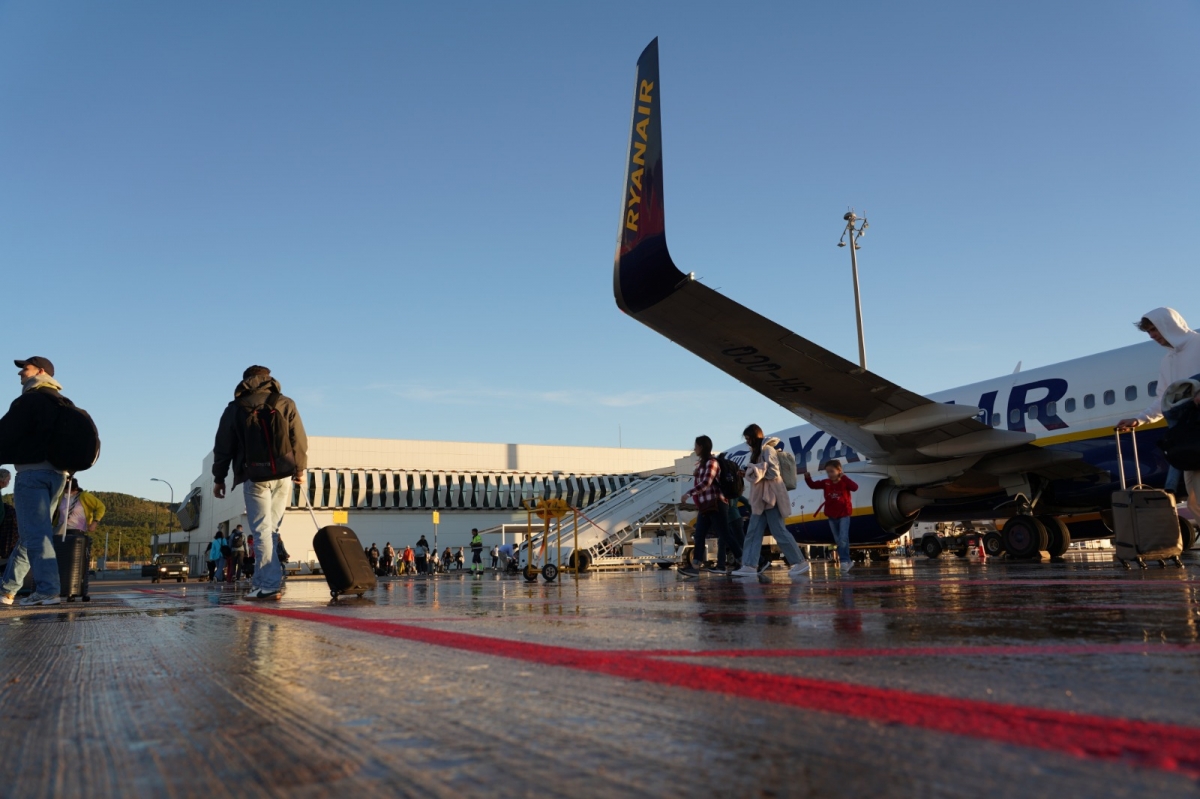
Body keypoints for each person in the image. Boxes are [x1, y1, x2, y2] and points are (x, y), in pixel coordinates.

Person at [212, 365, 308, 601]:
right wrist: (300, 469)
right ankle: (261, 582)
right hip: (284, 474)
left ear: (245, 382)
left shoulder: (235, 408)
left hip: (254, 476)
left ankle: (269, 584)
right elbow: (299, 439)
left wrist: (219, 478)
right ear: (269, 379)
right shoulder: (285, 402)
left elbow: (223, 446)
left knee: (262, 531)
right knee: (271, 531)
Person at [0, 357, 71, 606]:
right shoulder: (62, 402)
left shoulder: (30, 399)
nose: (20, 373)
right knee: (33, 534)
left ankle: (48, 590)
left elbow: (5, 432)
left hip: (32, 474)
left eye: (25, 368)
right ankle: (7, 590)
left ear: (40, 371)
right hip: (58, 475)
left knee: (36, 535)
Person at [1116, 308, 1200, 515]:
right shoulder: (1167, 361)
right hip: (1191, 437)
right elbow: (1164, 400)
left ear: (1170, 324)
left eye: (1154, 329)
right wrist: (1139, 419)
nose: (1153, 335)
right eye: (1149, 332)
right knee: (1195, 498)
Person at [730, 424, 809, 581]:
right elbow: (762, 472)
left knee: (778, 531)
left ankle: (800, 562)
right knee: (753, 532)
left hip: (771, 497)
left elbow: (773, 472)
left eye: (748, 439)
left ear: (754, 437)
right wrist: (748, 472)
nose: (747, 442)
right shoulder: (758, 452)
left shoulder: (768, 450)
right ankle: (750, 565)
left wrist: (754, 470)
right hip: (762, 499)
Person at [681, 435, 740, 578]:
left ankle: (745, 560)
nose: (694, 448)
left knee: (725, 534)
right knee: (699, 534)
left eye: (695, 446)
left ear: (701, 447)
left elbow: (707, 483)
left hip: (716, 503)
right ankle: (695, 566)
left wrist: (689, 493)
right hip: (705, 506)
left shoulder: (712, 463)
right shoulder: (702, 464)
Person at [805, 459, 860, 572]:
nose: (829, 474)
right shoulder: (826, 483)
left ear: (839, 471)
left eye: (832, 471)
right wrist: (807, 478)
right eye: (828, 472)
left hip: (844, 515)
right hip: (832, 516)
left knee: (843, 538)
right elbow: (813, 485)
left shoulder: (844, 482)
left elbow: (855, 487)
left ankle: (844, 561)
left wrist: (844, 477)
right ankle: (848, 561)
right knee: (838, 540)